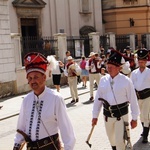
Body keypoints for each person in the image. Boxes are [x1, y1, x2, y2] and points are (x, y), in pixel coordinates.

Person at [13, 52, 75, 150]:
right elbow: (21, 127)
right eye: (30, 78)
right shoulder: (26, 100)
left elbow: (67, 130)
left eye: (36, 77)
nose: (33, 81)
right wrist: (17, 145)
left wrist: (68, 148)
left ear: (44, 77)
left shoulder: (56, 99)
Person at [92, 50, 140, 150]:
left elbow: (133, 100)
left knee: (120, 142)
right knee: (112, 140)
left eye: (111, 67)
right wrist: (95, 116)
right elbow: (98, 99)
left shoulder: (126, 81)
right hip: (107, 116)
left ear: (118, 68)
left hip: (121, 116)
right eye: (107, 66)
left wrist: (135, 118)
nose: (108, 69)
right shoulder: (103, 80)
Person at [130, 48, 150, 143]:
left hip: (147, 96)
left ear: (146, 61)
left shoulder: (149, 72)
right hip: (137, 97)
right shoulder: (134, 73)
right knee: (140, 115)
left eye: (143, 62)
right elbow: (131, 86)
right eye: (140, 61)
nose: (141, 63)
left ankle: (145, 135)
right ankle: (145, 129)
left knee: (145, 115)